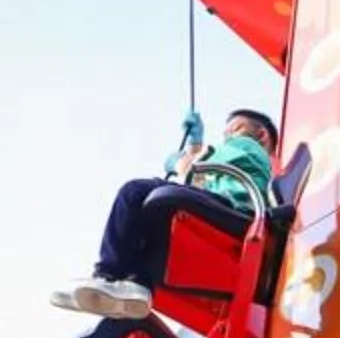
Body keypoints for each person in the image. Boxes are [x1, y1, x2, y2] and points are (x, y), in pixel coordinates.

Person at [51, 108, 281, 320]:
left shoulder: (249, 148)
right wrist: (194, 145)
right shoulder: (235, 169)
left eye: (236, 129)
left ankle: (106, 274)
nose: (229, 136)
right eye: (226, 133)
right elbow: (201, 179)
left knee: (136, 191)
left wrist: (181, 160)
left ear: (261, 135)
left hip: (236, 209)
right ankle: (136, 284)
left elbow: (197, 167)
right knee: (156, 217)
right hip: (225, 206)